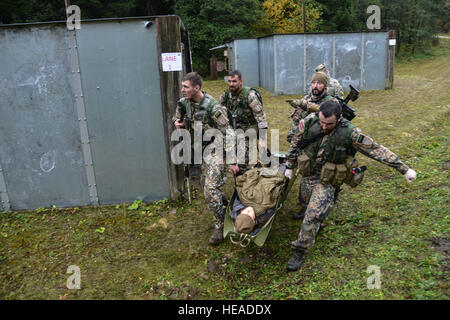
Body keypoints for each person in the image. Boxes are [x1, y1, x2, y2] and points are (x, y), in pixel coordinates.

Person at [283, 100, 417, 271]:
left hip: (328, 179)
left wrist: (403, 169)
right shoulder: (310, 121)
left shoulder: (351, 133)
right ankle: (318, 220)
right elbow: (296, 142)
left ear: (339, 118)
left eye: (329, 124)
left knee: (313, 213)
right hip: (308, 174)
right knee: (307, 203)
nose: (324, 127)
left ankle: (299, 250)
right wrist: (289, 165)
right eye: (322, 122)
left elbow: (376, 150)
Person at [172, 72, 235, 245]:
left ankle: (220, 225)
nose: (182, 89)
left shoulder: (213, 107)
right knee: (209, 185)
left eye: (186, 86)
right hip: (201, 151)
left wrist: (232, 160)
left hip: (217, 150)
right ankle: (226, 205)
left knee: (210, 190)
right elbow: (176, 117)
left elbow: (228, 133)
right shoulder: (184, 103)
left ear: (197, 88)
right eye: (182, 86)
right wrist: (178, 123)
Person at [286, 72, 339, 219]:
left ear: (325, 85)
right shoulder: (307, 98)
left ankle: (324, 203)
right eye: (314, 83)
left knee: (325, 175)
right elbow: (298, 121)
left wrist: (305, 105)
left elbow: (322, 112)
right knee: (305, 173)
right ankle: (304, 206)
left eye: (319, 83)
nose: (316, 86)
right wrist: (292, 136)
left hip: (323, 144)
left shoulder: (331, 101)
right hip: (306, 144)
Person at [219, 70, 268, 176]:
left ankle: (243, 186)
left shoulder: (250, 96)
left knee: (241, 162)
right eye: (229, 81)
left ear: (241, 81)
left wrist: (262, 139)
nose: (231, 84)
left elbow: (261, 118)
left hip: (248, 132)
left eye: (234, 81)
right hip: (233, 131)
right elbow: (220, 113)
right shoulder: (226, 95)